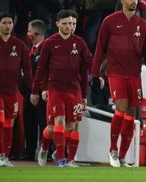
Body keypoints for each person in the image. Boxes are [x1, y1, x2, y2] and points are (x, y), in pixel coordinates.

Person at [91, 0, 146, 168]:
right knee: (120, 107)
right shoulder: (110, 22)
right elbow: (99, 49)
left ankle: (121, 156)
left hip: (134, 74)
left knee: (131, 114)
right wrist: (95, 73)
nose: (133, 1)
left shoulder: (143, 25)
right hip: (116, 72)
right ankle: (112, 149)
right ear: (122, 0)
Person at [30, 10, 92, 168]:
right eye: (65, 23)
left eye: (71, 24)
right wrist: (37, 90)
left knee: (71, 126)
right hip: (55, 88)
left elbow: (87, 67)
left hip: (75, 90)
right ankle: (61, 159)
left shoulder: (80, 43)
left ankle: (66, 157)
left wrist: (96, 78)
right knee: (59, 121)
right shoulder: (50, 43)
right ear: (57, 24)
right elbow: (41, 69)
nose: (69, 27)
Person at [0, 13, 32, 167]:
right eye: (4, 22)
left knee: (8, 124)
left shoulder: (19, 45)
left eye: (10, 22)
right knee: (0, 121)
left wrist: (34, 89)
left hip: (11, 91)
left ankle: (4, 157)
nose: (7, 25)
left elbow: (27, 70)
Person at [22, 19, 47, 161]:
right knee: (29, 123)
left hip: (41, 94)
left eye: (29, 31)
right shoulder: (30, 49)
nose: (27, 34)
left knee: (43, 123)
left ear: (36, 34)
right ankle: (29, 152)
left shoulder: (46, 48)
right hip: (28, 93)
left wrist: (38, 91)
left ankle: (46, 152)